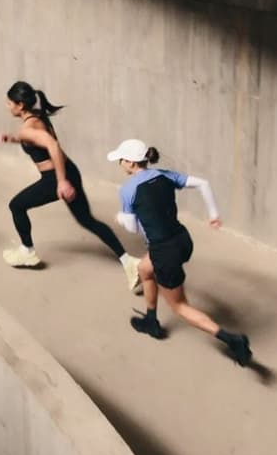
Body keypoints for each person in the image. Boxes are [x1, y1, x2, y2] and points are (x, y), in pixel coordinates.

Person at [107, 139, 252, 365]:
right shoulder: (164, 175)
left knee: (179, 306)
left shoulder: (128, 190)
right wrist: (213, 214)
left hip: (164, 251)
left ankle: (233, 340)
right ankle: (151, 321)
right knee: (144, 269)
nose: (120, 164)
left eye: (121, 160)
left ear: (131, 162)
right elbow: (203, 183)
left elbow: (133, 228)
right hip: (183, 241)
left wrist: (121, 218)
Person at [0, 82, 140, 293]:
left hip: (56, 177)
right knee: (87, 220)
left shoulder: (28, 129)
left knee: (16, 205)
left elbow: (52, 146)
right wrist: (14, 139)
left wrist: (62, 181)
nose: (7, 106)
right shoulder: (37, 117)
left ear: (20, 105)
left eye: (9, 103)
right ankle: (129, 262)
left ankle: (27, 251)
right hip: (69, 170)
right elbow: (38, 139)